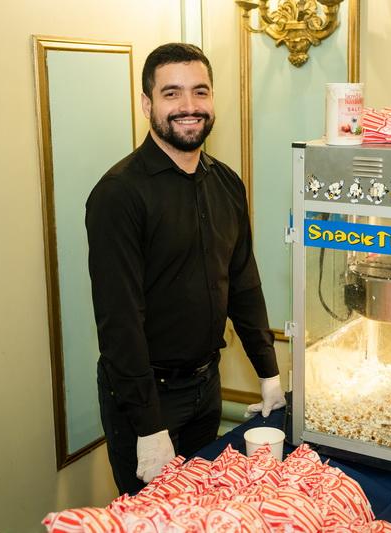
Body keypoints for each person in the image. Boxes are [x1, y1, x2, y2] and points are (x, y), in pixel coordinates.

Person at [85, 42, 286, 495]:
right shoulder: (119, 194)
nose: (189, 106)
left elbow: (243, 283)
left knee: (207, 510)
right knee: (157, 519)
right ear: (147, 104)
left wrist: (268, 374)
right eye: (171, 93)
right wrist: (148, 426)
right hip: (146, 398)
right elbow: (119, 321)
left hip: (206, 385)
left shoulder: (227, 182)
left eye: (200, 91)